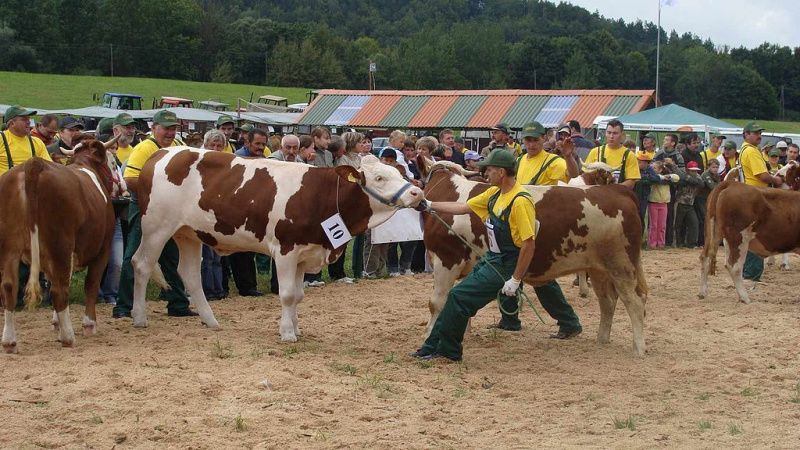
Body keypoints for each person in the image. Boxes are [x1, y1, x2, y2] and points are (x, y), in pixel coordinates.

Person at [410, 150, 536, 362]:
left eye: (489, 169)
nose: (485, 173)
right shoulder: (495, 193)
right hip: (493, 258)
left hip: (506, 263)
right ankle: (432, 345)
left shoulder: (520, 201)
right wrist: (429, 205)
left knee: (459, 299)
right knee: (456, 297)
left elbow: (529, 244)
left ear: (502, 172)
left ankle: (448, 350)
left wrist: (515, 280)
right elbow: (463, 207)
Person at [491, 121, 581, 336]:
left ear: (543, 139)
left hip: (542, 224)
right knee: (512, 267)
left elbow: (574, 175)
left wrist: (568, 156)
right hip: (518, 219)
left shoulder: (553, 161)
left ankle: (569, 322)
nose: (531, 144)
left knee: (539, 276)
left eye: (535, 139)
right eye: (528, 140)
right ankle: (510, 319)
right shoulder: (519, 161)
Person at [113, 110, 197, 319]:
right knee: (134, 254)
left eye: (173, 128)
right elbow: (129, 178)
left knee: (171, 256)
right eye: (166, 128)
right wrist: (157, 192)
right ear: (154, 128)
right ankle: (123, 306)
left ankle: (178, 303)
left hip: (172, 212)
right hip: (145, 208)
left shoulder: (179, 147)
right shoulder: (145, 148)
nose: (170, 132)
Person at [1, 106, 53, 308]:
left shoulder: (36, 143)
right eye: (24, 119)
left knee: (31, 243)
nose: (28, 123)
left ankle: (27, 290)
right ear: (11, 122)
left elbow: (49, 169)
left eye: (29, 120)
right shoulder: (1, 140)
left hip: (32, 201)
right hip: (5, 201)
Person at [739, 122, 783, 282]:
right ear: (746, 134)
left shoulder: (745, 149)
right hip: (756, 197)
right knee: (757, 235)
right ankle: (752, 273)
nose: (759, 135)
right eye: (755, 132)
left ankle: (748, 272)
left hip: (749, 195)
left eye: (760, 132)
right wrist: (776, 179)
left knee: (750, 235)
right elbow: (762, 176)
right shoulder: (751, 151)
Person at [198, 130, 227, 300]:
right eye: (212, 145)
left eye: (219, 146)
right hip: (202, 213)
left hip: (219, 214)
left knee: (217, 256)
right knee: (206, 257)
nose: (216, 149)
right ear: (206, 145)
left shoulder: (225, 163)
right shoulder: (200, 163)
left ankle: (219, 290)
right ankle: (208, 290)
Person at [585, 119, 641, 189]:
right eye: (609, 132)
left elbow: (631, 182)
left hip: (619, 196)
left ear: (622, 134)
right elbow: (585, 176)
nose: (611, 136)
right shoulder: (595, 152)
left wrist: (611, 189)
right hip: (596, 196)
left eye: (615, 133)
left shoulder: (629, 155)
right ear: (605, 133)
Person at [654, 134, 686, 247]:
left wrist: (672, 165)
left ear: (673, 143)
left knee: (669, 215)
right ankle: (653, 241)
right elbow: (652, 171)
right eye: (664, 139)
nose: (664, 141)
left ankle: (667, 241)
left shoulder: (678, 157)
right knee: (654, 218)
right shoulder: (659, 154)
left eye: (667, 139)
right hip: (656, 189)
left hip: (671, 190)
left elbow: (682, 176)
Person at [647, 161, 679, 249]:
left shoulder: (667, 178)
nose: (652, 169)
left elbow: (676, 178)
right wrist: (661, 178)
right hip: (653, 202)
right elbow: (653, 179)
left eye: (655, 168)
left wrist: (666, 177)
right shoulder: (652, 177)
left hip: (664, 203)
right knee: (654, 225)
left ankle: (661, 243)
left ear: (661, 169)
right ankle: (652, 244)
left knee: (662, 225)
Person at [674, 161, 704, 247]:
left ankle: (691, 243)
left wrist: (687, 179)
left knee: (694, 223)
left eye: (695, 170)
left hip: (690, 204)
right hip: (680, 203)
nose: (694, 172)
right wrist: (687, 179)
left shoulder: (694, 177)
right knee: (678, 224)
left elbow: (701, 184)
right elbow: (680, 181)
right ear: (688, 170)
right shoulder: (682, 177)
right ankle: (678, 243)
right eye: (692, 170)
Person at [633, 152, 660, 225]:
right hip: (635, 195)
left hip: (644, 197)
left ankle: (641, 231)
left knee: (641, 214)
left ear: (646, 163)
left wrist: (644, 177)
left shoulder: (650, 169)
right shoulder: (635, 168)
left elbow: (657, 179)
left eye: (640, 162)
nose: (638, 163)